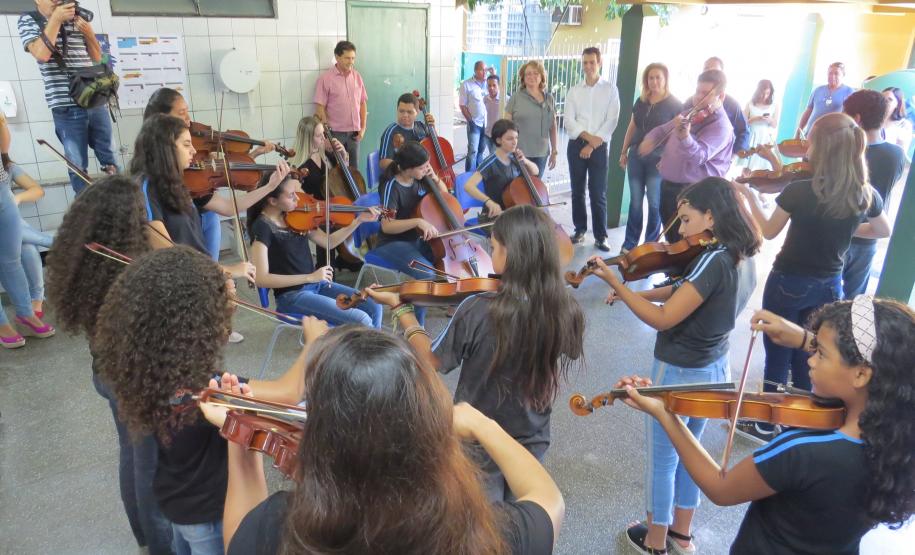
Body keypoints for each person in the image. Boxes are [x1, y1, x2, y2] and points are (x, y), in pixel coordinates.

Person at [218, 323, 565, 554]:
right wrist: (482, 424)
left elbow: (240, 540)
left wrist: (241, 440)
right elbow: (549, 500)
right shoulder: (486, 534)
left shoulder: (280, 526)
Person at [611, 298, 915, 555]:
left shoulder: (803, 449)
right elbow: (854, 360)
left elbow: (721, 488)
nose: (810, 360)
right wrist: (803, 338)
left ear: (861, 374)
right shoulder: (894, 440)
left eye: (820, 353)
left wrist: (666, 414)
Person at [93, 246, 310, 555]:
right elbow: (288, 392)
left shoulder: (144, 367)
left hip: (175, 503)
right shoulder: (205, 387)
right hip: (212, 515)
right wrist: (313, 343)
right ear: (198, 321)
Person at [586, 177, 761, 555]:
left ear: (711, 217)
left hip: (681, 371)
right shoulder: (739, 254)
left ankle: (655, 541)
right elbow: (686, 290)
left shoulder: (713, 259)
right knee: (691, 453)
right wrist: (635, 293)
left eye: (686, 220)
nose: (680, 231)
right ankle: (682, 534)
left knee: (663, 460)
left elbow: (665, 317)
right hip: (715, 369)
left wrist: (619, 284)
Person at [368, 205, 584, 501]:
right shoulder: (566, 308)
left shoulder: (477, 309)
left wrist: (401, 309)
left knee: (482, 516)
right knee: (521, 507)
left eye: (493, 247)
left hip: (476, 438)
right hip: (532, 437)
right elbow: (571, 350)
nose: (489, 254)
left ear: (509, 254)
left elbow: (431, 360)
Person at [732, 112, 891, 442]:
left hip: (788, 280)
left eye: (812, 142)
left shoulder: (800, 190)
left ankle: (766, 425)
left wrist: (748, 197)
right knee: (812, 351)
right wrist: (846, 230)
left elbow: (768, 230)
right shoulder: (865, 193)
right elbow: (882, 229)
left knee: (778, 350)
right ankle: (800, 423)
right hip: (831, 286)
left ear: (822, 149)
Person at [45, 175, 173, 554]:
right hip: (133, 377)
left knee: (132, 453)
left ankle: (144, 538)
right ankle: (160, 546)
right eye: (140, 213)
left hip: (105, 371)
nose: (145, 219)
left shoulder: (89, 262)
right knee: (150, 464)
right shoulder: (128, 272)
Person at [130, 114, 289, 285]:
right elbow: (168, 253)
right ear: (165, 148)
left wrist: (270, 187)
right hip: (177, 287)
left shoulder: (180, 181)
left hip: (199, 279)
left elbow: (227, 208)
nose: (194, 151)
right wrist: (225, 271)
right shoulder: (147, 187)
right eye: (186, 144)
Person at [143, 87, 278, 261]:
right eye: (182, 113)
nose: (189, 120)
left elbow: (224, 179)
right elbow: (167, 249)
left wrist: (258, 163)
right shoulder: (149, 184)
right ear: (162, 119)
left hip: (203, 222)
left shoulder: (194, 166)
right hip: (181, 243)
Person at [247, 172, 382, 327]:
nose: (297, 199)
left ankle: (372, 342)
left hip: (317, 285)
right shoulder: (262, 227)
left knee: (374, 306)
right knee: (361, 319)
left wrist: (358, 221)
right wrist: (309, 277)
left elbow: (328, 242)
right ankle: (368, 342)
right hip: (292, 297)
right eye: (291, 195)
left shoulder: (295, 216)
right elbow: (261, 278)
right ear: (273, 201)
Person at [18, 0, 119, 195]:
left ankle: (122, 202)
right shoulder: (29, 19)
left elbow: (97, 58)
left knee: (110, 157)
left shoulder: (75, 17)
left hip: (93, 99)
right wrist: (56, 19)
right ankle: (86, 209)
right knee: (77, 166)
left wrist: (89, 33)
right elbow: (41, 55)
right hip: (65, 105)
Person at [640, 70, 733, 243]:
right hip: (670, 187)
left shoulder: (721, 126)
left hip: (694, 193)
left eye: (705, 93)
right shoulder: (691, 113)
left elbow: (699, 157)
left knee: (684, 243)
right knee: (672, 240)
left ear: (721, 96)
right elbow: (663, 129)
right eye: (697, 91)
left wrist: (685, 137)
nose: (698, 97)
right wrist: (651, 139)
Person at [841, 90, 906, 298]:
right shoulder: (897, 155)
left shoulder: (844, 152)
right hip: (871, 234)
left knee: (824, 297)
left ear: (857, 118)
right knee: (855, 299)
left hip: (838, 235)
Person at [0, 114, 54, 348]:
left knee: (12, 260)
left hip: (1, 191)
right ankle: (2, 323)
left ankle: (25, 313)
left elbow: (3, 147)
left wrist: (1, 122)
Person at [618, 63, 683, 252]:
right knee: (636, 202)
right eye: (650, 78)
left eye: (658, 77)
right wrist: (623, 151)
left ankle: (650, 246)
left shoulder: (675, 105)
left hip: (658, 160)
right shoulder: (641, 101)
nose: (654, 81)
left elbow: (677, 137)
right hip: (636, 156)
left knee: (654, 203)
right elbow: (632, 126)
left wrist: (668, 159)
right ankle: (630, 244)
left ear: (665, 79)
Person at [564, 46, 621, 252]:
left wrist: (592, 144)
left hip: (599, 146)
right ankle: (579, 230)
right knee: (577, 191)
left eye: (592, 62)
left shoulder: (610, 90)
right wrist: (588, 140)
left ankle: (601, 236)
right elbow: (569, 121)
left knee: (598, 193)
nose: (588, 66)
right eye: (585, 63)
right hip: (577, 145)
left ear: (600, 63)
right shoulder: (574, 91)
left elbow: (612, 120)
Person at [288, 115, 360, 271]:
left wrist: (343, 157)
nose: (324, 138)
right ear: (308, 138)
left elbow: (339, 177)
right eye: (319, 135)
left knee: (350, 216)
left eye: (323, 134)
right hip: (313, 212)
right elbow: (296, 195)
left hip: (330, 207)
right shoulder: (298, 165)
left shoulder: (325, 155)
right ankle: (325, 268)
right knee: (327, 229)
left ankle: (346, 258)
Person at [463, 119, 539, 221]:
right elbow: (468, 186)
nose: (514, 142)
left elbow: (535, 172)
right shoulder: (490, 162)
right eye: (510, 139)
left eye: (516, 138)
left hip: (513, 212)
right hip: (494, 215)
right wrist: (488, 202)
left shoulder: (515, 157)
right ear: (498, 140)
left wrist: (525, 161)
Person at [6, 160, 54, 318]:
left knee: (27, 245)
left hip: (11, 224)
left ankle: (36, 299)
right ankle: (54, 242)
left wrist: (17, 198)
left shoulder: (6, 166)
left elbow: (37, 191)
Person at [314, 41, 367, 166]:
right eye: (347, 58)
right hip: (335, 134)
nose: (351, 61)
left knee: (354, 171)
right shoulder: (325, 79)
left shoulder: (357, 77)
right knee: (336, 171)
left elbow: (362, 103)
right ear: (337, 57)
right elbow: (320, 108)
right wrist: (327, 136)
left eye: (353, 58)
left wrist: (363, 128)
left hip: (354, 135)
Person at [684, 57, 749, 156]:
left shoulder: (732, 104)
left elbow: (743, 131)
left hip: (716, 159)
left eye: (714, 70)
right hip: (688, 154)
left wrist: (734, 155)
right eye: (706, 69)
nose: (710, 73)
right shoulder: (691, 101)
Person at [504, 60, 558, 177]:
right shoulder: (516, 98)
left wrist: (554, 151)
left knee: (536, 186)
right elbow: (506, 126)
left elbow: (553, 126)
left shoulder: (549, 99)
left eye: (536, 73)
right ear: (523, 78)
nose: (532, 76)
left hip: (541, 154)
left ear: (542, 77)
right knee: (518, 186)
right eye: (528, 74)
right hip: (519, 152)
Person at [797, 62, 855, 137]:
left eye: (836, 73)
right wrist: (799, 130)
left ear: (843, 75)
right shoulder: (818, 90)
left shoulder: (849, 92)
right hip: (810, 134)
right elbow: (808, 111)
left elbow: (850, 117)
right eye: (830, 73)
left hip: (831, 137)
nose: (832, 76)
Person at [378, 92, 433, 170]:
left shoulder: (421, 127)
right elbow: (383, 162)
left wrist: (432, 128)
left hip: (422, 173)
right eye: (401, 111)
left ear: (417, 112)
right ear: (397, 110)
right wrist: (406, 171)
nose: (405, 115)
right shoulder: (391, 131)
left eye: (409, 112)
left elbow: (434, 150)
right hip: (402, 175)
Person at [740, 79, 778, 170]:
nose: (765, 96)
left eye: (767, 93)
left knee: (762, 167)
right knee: (747, 167)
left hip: (765, 138)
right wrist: (755, 119)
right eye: (762, 93)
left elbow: (774, 125)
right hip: (752, 136)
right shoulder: (750, 104)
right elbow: (743, 123)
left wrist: (770, 120)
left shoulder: (774, 106)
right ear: (758, 91)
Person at [459, 60, 489, 171]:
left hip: (486, 124)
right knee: (473, 151)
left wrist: (493, 73)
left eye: (485, 70)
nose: (485, 72)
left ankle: (478, 175)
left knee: (481, 151)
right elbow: (462, 105)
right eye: (482, 70)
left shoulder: (488, 84)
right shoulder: (466, 84)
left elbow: (498, 92)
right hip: (474, 123)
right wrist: (470, 121)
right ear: (476, 71)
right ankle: (468, 176)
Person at [882, 87, 913, 158]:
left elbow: (901, 155)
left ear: (898, 104)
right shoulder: (872, 117)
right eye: (882, 98)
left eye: (890, 99)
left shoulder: (903, 125)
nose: (884, 102)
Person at [484, 74, 501, 153]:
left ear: (498, 86)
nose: (491, 88)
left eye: (494, 85)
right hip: (487, 133)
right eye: (489, 85)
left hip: (498, 135)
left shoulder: (505, 100)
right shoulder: (485, 99)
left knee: (495, 156)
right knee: (491, 154)